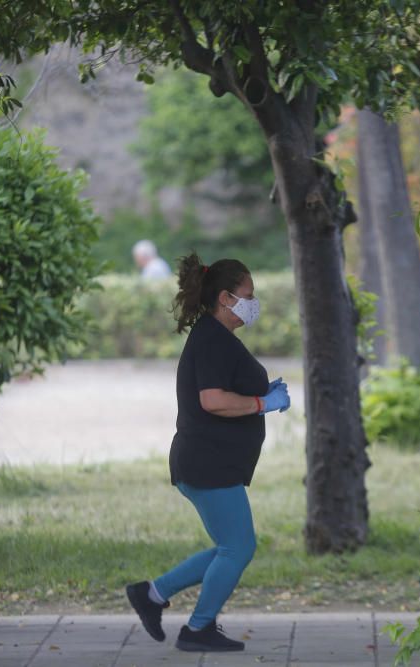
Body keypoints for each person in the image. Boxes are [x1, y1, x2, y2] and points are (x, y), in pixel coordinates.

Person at [125, 253, 291, 653]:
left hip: (209, 461)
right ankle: (197, 629)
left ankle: (152, 594)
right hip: (207, 462)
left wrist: (262, 394)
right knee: (239, 548)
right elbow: (213, 400)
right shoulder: (212, 339)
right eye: (247, 295)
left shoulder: (214, 337)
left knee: (228, 547)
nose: (254, 302)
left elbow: (223, 389)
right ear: (225, 298)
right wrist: (262, 405)